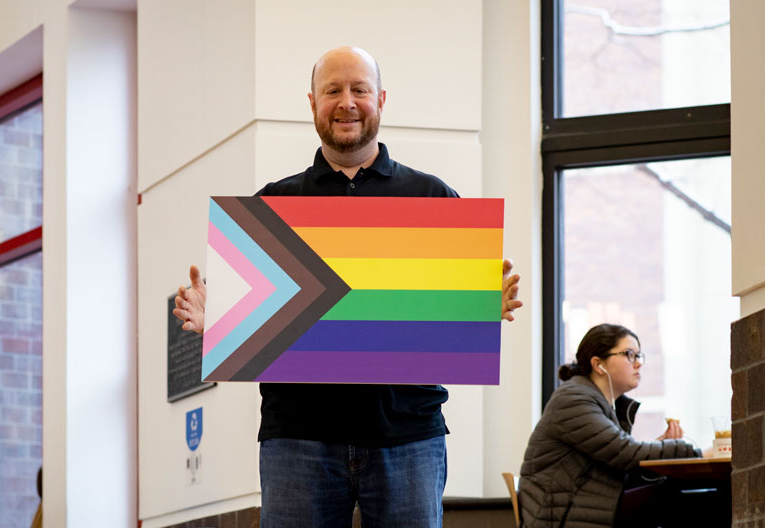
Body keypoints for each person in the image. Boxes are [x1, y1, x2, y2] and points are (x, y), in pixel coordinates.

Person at [173, 46, 523, 527]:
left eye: (359, 89)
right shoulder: (273, 205)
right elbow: (247, 320)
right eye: (333, 90)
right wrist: (219, 321)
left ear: (381, 99)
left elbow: (453, 313)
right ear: (312, 101)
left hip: (408, 436)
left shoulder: (433, 198)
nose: (347, 102)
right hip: (298, 438)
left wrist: (482, 306)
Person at [518, 324, 700, 528]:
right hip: (562, 517)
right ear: (598, 364)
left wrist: (663, 447)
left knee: (686, 492)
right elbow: (624, 453)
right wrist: (694, 451)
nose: (638, 363)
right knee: (684, 496)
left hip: (588, 506)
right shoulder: (573, 399)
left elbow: (619, 458)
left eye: (639, 355)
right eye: (629, 354)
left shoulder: (599, 402)